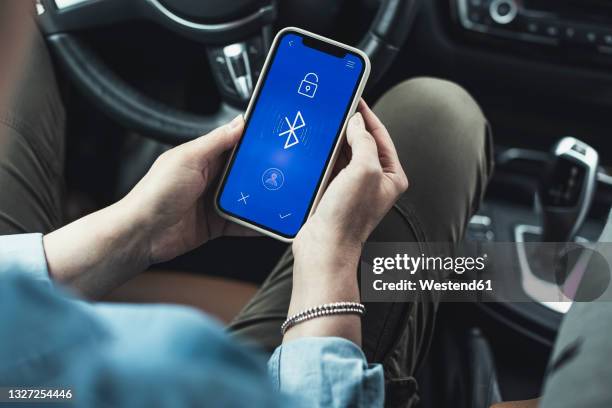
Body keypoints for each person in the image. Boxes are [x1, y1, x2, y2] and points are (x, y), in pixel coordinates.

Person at [0, 4, 493, 407]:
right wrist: (332, 263)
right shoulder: (170, 363)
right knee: (438, 118)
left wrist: (135, 232)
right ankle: (541, 275)